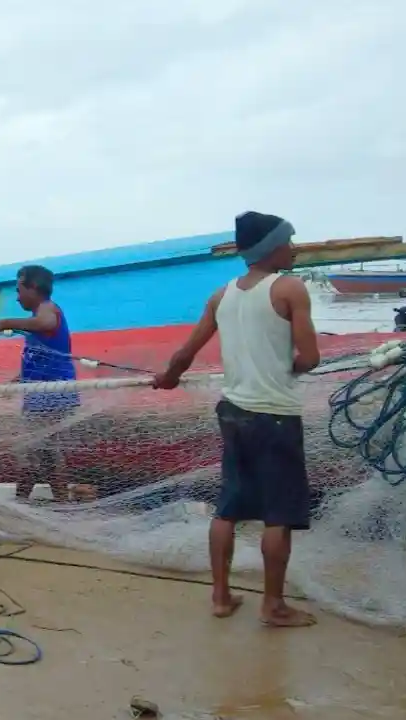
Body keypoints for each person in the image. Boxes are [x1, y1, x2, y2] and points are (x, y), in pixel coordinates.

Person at [153, 211, 320, 628]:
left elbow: (183, 355)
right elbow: (310, 357)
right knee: (278, 513)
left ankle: (222, 597)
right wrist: (287, 367)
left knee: (228, 507)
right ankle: (274, 606)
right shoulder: (290, 289)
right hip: (276, 415)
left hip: (233, 411)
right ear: (271, 247)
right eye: (290, 241)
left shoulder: (221, 294)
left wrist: (169, 378)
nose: (295, 248)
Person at [0, 264, 82, 502]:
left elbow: (47, 324)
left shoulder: (47, 309)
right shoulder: (36, 317)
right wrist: (19, 380)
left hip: (51, 394)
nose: (17, 297)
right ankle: (58, 503)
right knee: (45, 452)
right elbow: (39, 357)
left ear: (34, 288)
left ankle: (22, 505)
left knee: (32, 452)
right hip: (40, 393)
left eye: (19, 290)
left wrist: (5, 322)